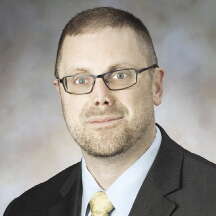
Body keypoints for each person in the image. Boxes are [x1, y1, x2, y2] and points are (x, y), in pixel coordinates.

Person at [4, 6, 216, 216]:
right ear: (61, 93)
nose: (100, 98)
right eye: (80, 80)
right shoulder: (25, 209)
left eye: (120, 75)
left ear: (156, 87)